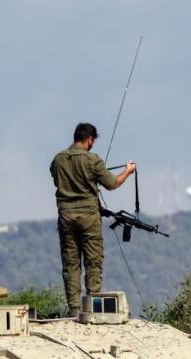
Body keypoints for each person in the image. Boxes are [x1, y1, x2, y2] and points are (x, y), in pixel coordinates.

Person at [50, 122, 136, 316]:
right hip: (89, 217)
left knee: (71, 264)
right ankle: (93, 307)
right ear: (89, 139)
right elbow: (112, 184)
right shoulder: (92, 160)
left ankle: (73, 309)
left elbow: (57, 180)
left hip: (66, 217)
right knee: (93, 261)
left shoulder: (58, 159)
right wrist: (128, 171)